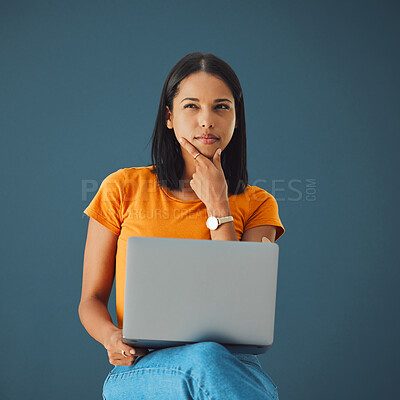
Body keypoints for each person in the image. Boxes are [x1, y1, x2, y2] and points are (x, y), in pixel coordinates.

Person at [79, 52, 285, 400]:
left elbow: (239, 305)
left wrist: (218, 205)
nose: (207, 121)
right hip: (144, 367)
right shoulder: (122, 187)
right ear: (170, 117)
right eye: (192, 106)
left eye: (222, 107)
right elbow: (91, 300)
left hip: (233, 368)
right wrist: (111, 337)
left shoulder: (259, 203)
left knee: (209, 358)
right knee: (206, 360)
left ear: (236, 119)